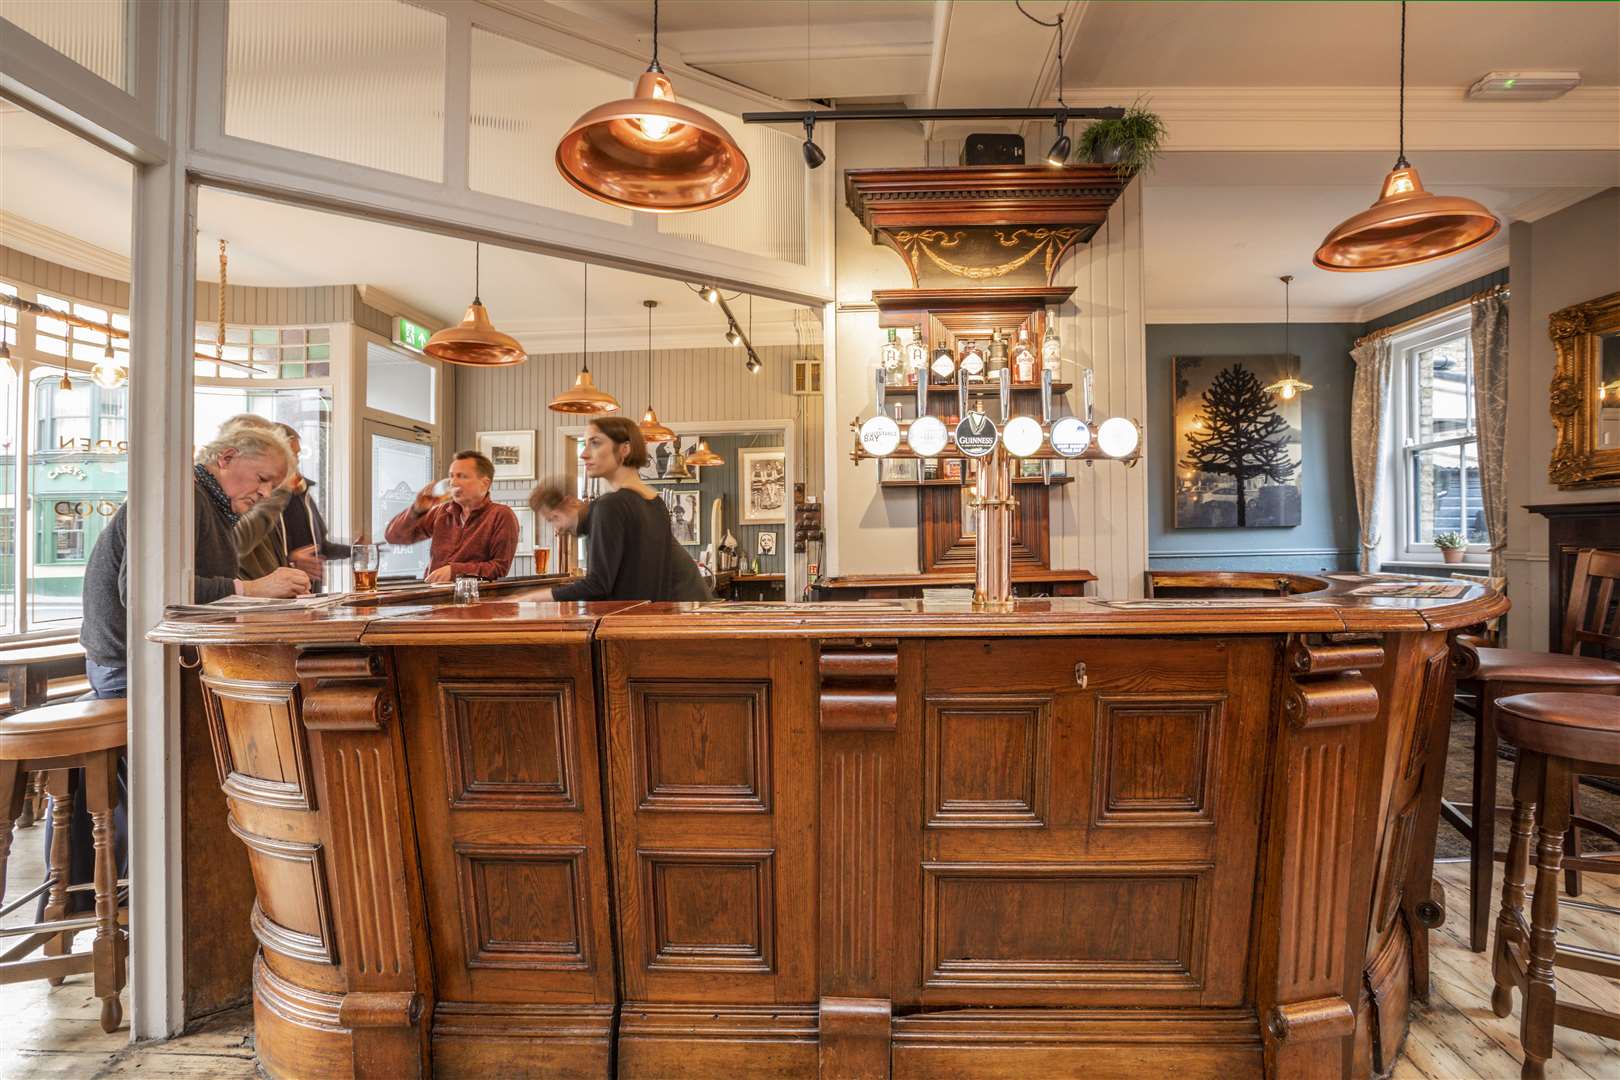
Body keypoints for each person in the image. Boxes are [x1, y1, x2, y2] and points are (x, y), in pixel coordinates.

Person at [80, 421, 310, 697]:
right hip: (132, 666)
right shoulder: (181, 497)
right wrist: (250, 590)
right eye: (262, 479)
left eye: (273, 486)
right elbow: (143, 591)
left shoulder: (206, 502)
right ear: (226, 458)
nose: (266, 494)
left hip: (146, 658)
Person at [531, 417, 712, 603]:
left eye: (595, 443)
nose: (583, 454)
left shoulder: (610, 505)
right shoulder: (656, 503)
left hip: (621, 626)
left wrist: (533, 598)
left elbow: (597, 586)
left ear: (625, 449)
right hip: (651, 622)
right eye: (585, 444)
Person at [384, 450, 518, 583]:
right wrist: (416, 510)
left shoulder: (501, 515)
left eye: (462, 476)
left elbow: (499, 568)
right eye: (452, 476)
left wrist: (454, 571)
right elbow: (393, 537)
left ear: (484, 483)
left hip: (475, 600)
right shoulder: (441, 512)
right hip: (433, 599)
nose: (453, 482)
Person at [270, 423, 354, 591]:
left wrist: (354, 551)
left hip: (307, 594)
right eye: (291, 455)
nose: (296, 461)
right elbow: (249, 559)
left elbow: (320, 546)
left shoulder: (303, 495)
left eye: (297, 455)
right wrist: (290, 562)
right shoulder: (258, 501)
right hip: (275, 598)